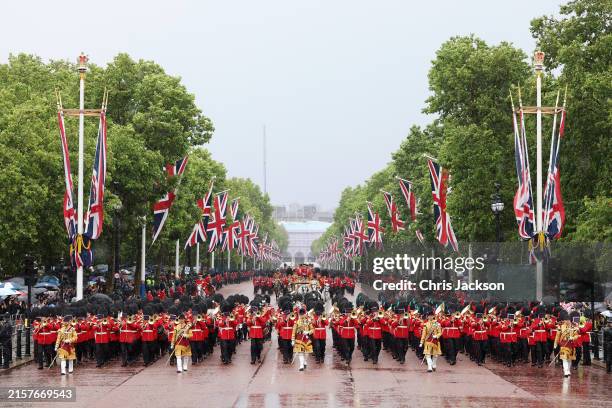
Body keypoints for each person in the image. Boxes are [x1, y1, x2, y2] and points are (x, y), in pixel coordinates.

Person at [553, 311, 580, 378]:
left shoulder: (573, 327)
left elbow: (577, 336)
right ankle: (566, 371)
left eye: (568, 320)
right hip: (563, 344)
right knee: (564, 358)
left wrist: (572, 338)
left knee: (569, 359)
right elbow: (558, 336)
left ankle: (568, 370)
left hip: (571, 344)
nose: (567, 321)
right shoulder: (561, 327)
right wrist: (555, 343)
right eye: (566, 320)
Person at [420, 308, 442, 373]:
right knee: (427, 354)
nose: (430, 317)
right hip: (427, 341)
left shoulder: (437, 324)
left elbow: (440, 332)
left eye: (431, 316)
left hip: (435, 341)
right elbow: (424, 334)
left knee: (435, 355)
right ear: (427, 317)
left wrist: (436, 336)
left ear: (433, 316)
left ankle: (434, 364)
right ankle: (429, 367)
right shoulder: (425, 324)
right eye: (429, 316)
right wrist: (421, 342)